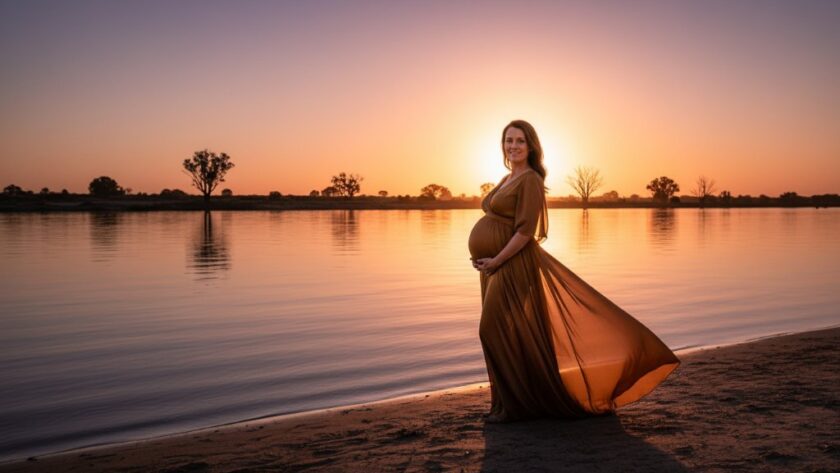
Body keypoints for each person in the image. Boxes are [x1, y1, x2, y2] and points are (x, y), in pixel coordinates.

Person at [468, 119, 679, 423]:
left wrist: (497, 260)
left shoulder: (529, 179)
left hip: (512, 265)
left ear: (531, 147)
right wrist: (485, 258)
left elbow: (526, 232)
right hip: (493, 266)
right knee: (514, 333)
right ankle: (512, 404)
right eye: (508, 140)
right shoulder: (507, 177)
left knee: (491, 329)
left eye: (519, 141)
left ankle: (517, 405)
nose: (513, 146)